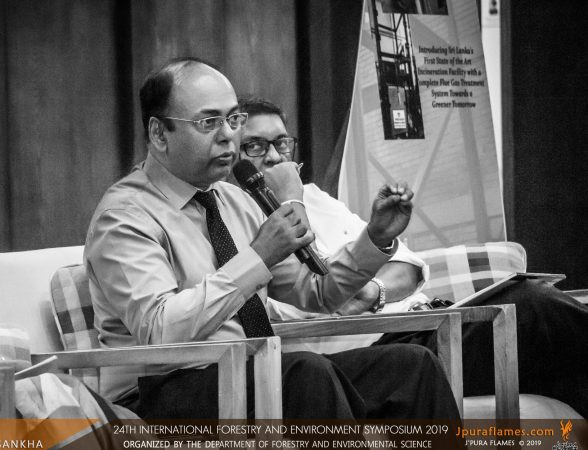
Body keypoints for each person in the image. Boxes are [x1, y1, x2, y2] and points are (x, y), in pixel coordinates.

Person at [84, 57, 460, 420]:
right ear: (158, 133)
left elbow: (316, 293)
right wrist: (258, 256)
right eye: (208, 122)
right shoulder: (125, 215)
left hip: (253, 371)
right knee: (305, 374)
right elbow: (161, 330)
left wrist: (374, 238)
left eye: (233, 119)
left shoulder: (234, 201)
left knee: (411, 365)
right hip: (158, 393)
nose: (227, 136)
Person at [235, 96, 588, 417]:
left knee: (565, 368)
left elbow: (406, 265)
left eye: (281, 143)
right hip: (380, 349)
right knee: (530, 305)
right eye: (255, 146)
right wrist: (289, 203)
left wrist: (374, 291)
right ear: (233, 158)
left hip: (428, 319)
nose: (275, 157)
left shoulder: (314, 197)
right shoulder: (239, 223)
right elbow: (317, 301)